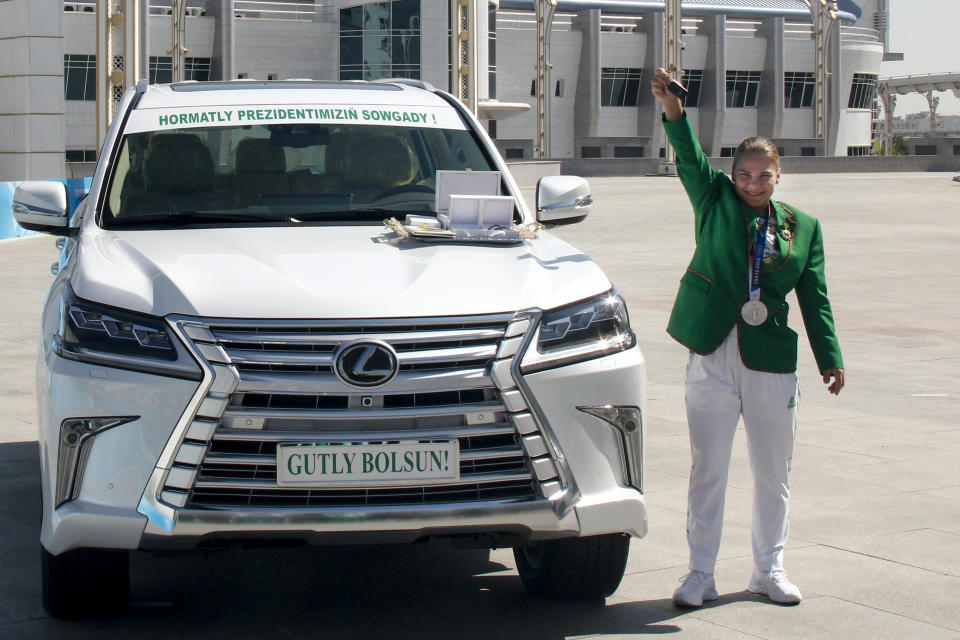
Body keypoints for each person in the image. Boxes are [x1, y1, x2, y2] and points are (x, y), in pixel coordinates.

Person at [651, 67, 845, 607]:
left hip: (772, 359)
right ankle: (700, 573)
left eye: (765, 176)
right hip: (713, 351)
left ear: (779, 176)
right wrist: (673, 107)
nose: (754, 184)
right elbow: (688, 154)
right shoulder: (713, 201)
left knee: (772, 472)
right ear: (732, 175)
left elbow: (816, 296)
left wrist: (830, 356)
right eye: (746, 176)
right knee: (708, 468)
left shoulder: (803, 227)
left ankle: (769, 569)